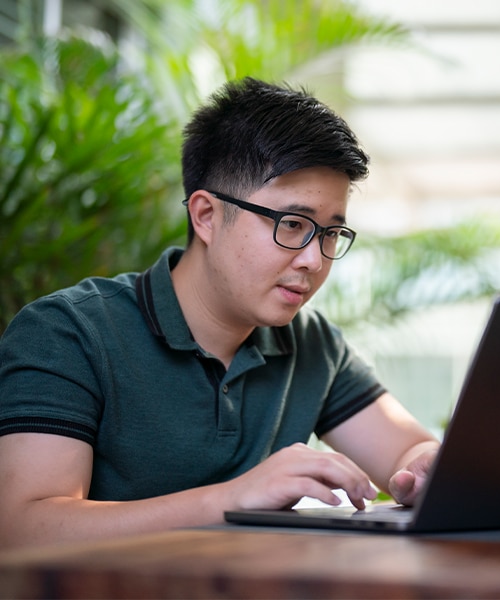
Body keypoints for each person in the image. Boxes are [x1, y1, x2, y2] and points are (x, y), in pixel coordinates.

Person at [0, 77, 439, 549]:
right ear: (206, 215)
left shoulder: (311, 343)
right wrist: (233, 499)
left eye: (331, 234)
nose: (315, 259)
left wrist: (425, 465)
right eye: (292, 225)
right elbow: (23, 528)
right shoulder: (69, 332)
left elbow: (406, 450)